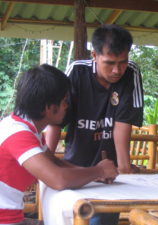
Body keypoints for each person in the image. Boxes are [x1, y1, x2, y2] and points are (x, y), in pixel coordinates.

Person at [45, 24, 144, 225]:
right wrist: (46, 158)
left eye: (122, 62)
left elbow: (122, 122)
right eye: (109, 63)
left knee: (103, 221)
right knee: (72, 217)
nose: (117, 70)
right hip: (75, 164)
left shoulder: (131, 73)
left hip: (110, 172)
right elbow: (56, 121)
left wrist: (123, 169)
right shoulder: (77, 72)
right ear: (94, 55)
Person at [0, 64, 118, 225]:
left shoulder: (25, 128)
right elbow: (58, 179)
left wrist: (95, 174)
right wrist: (99, 170)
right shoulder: (18, 134)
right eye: (64, 101)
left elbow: (55, 163)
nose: (67, 106)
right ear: (48, 107)